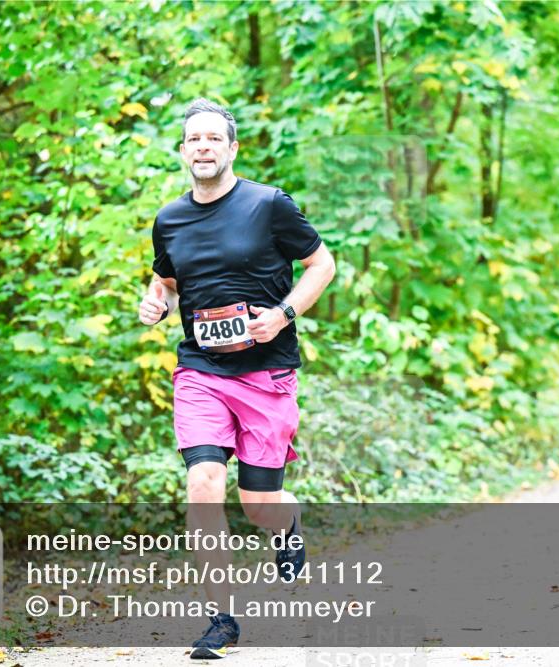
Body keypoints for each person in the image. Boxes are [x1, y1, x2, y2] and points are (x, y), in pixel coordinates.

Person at [138, 98, 336, 659]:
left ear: (232, 148)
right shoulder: (169, 219)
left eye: (212, 139)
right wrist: (155, 304)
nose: (202, 147)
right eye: (192, 139)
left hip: (266, 371)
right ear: (183, 151)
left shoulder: (269, 205)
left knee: (258, 505)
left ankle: (287, 520)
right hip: (200, 370)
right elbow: (168, 283)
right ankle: (221, 619)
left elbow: (324, 265)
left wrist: (283, 314)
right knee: (203, 483)